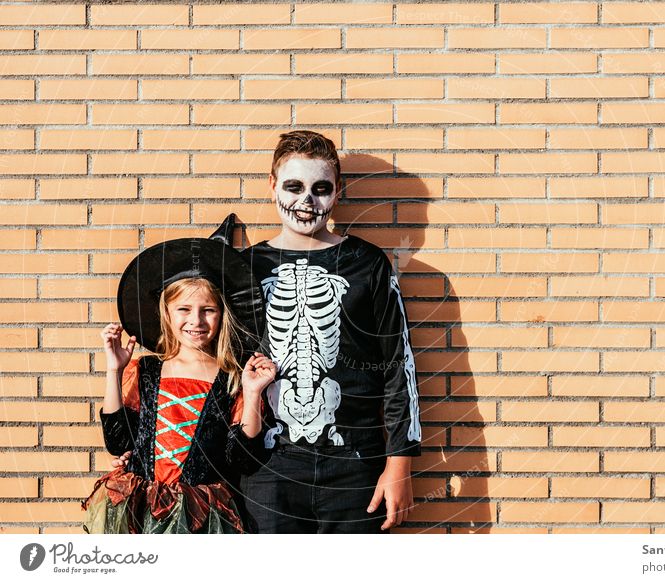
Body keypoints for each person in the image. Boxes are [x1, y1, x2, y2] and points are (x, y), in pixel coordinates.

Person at [239, 130, 422, 533]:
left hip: (353, 461)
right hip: (267, 466)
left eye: (321, 188)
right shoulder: (243, 268)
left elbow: (397, 364)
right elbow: (210, 362)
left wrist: (400, 462)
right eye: (294, 186)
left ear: (338, 192)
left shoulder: (366, 263)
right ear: (272, 187)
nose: (307, 201)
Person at [82, 238, 276, 534]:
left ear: (222, 314)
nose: (196, 320)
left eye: (208, 309)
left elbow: (241, 459)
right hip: (141, 507)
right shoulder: (145, 371)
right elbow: (118, 443)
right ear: (167, 313)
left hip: (202, 514)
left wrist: (252, 393)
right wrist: (114, 370)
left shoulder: (233, 378)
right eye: (184, 309)